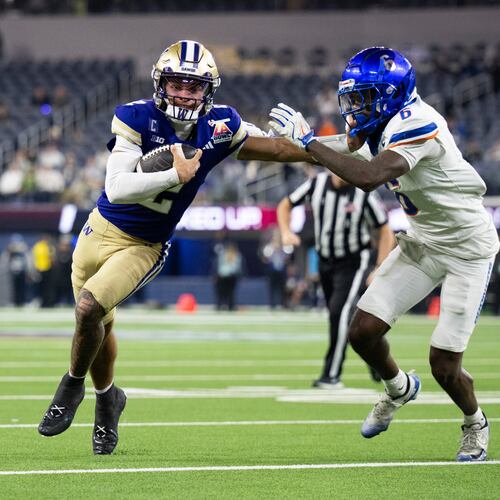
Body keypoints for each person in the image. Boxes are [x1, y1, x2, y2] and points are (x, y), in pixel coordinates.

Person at [37, 40, 313, 455]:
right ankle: (108, 400)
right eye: (176, 83)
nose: (184, 92)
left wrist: (322, 144)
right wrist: (174, 175)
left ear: (208, 90)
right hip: (98, 230)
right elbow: (117, 187)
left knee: (89, 308)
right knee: (98, 324)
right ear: (160, 83)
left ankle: (72, 386)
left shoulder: (221, 125)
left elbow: (278, 148)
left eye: (194, 85)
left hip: (145, 244)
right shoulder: (135, 116)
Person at [269, 46, 499, 461]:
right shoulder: (381, 126)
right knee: (362, 332)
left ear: (392, 94)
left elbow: (369, 176)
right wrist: (235, 144)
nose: (354, 108)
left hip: (467, 249)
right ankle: (398, 389)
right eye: (352, 97)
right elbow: (319, 150)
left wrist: (307, 140)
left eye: (364, 97)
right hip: (424, 241)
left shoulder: (419, 121)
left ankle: (475, 423)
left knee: (444, 364)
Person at [277, 171, 394, 389]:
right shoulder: (316, 184)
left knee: (338, 313)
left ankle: (331, 374)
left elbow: (385, 229)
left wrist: (380, 266)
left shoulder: (363, 192)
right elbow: (285, 204)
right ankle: (376, 358)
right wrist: (285, 232)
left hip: (354, 261)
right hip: (326, 261)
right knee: (344, 317)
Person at [213, 240, 243, 311]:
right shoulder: (222, 255)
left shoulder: (237, 256)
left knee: (231, 293)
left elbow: (238, 268)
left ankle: (230, 306)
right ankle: (219, 305)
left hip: (231, 277)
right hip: (222, 277)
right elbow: (218, 267)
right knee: (220, 293)